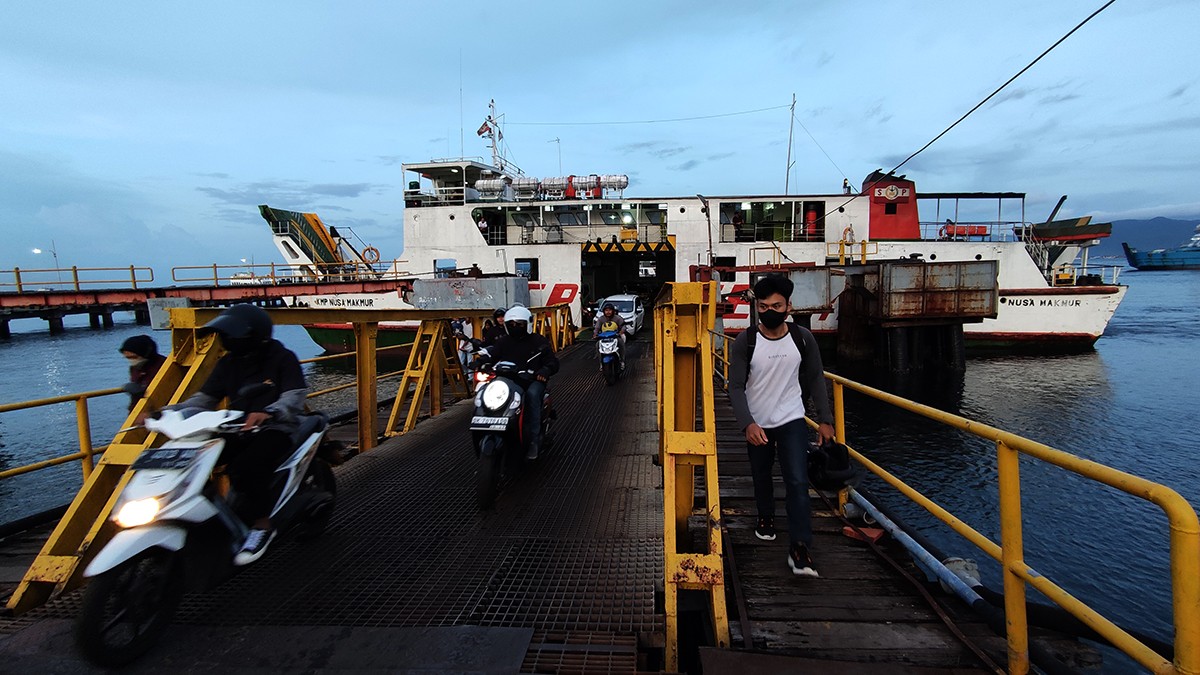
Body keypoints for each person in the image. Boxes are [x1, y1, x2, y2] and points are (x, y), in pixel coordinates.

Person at [141, 304, 307, 566]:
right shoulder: (227, 364)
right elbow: (204, 399)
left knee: (244, 468)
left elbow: (294, 394)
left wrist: (270, 412)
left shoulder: (281, 357)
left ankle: (262, 527)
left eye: (232, 335)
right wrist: (166, 413)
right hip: (235, 427)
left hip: (276, 427)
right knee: (190, 460)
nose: (227, 340)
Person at [727, 275, 835, 578]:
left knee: (798, 482)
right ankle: (765, 517)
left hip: (791, 419)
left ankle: (800, 546)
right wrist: (747, 423)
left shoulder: (802, 338)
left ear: (789, 306)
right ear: (757, 308)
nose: (770, 310)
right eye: (763, 306)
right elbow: (735, 387)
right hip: (757, 421)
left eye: (776, 305)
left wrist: (825, 421)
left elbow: (815, 377)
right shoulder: (745, 341)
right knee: (761, 475)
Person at [474, 305, 559, 460]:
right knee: (486, 393)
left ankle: (533, 440)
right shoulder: (504, 341)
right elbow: (493, 353)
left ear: (527, 324)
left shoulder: (539, 341)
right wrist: (481, 361)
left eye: (519, 324)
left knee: (533, 396)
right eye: (511, 325)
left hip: (531, 381)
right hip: (507, 381)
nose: (515, 327)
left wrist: (544, 371)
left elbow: (552, 361)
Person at [119, 334, 167, 411]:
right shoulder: (135, 367)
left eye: (133, 357)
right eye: (127, 358)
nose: (131, 360)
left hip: (156, 409)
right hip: (139, 409)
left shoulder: (164, 366)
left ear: (145, 354)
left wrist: (142, 391)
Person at [594, 302, 626, 371]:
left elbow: (623, 326)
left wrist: (621, 332)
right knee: (597, 346)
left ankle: (622, 361)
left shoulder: (617, 318)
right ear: (604, 311)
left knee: (621, 344)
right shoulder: (601, 319)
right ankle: (601, 363)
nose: (608, 312)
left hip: (615, 336)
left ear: (613, 311)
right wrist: (595, 334)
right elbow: (597, 328)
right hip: (604, 338)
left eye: (609, 310)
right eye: (606, 310)